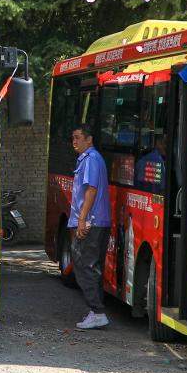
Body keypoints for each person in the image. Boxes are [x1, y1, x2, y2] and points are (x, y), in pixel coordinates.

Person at [69, 124, 111, 330]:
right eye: (73, 138)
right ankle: (96, 311)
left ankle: (97, 311)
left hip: (91, 222)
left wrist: (82, 219)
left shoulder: (91, 159)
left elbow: (91, 191)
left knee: (85, 264)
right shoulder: (88, 159)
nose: (74, 142)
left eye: (78, 137)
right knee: (90, 265)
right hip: (94, 221)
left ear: (89, 139)